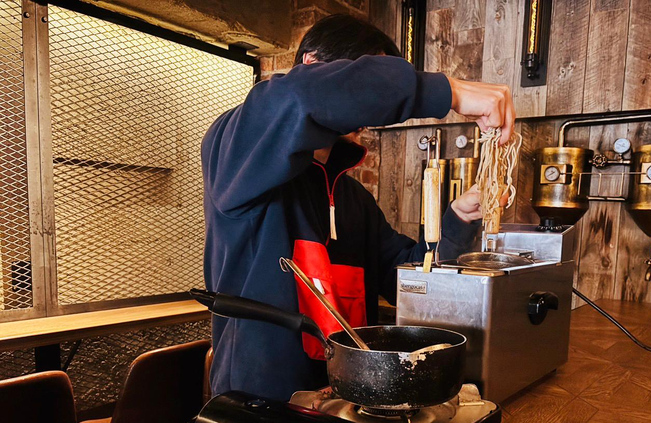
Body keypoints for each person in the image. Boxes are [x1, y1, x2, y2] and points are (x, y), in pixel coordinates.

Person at [201, 14, 516, 401]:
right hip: (261, 406)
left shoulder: (354, 198)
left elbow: (408, 279)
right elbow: (294, 98)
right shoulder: (238, 151)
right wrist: (447, 90)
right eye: (368, 76)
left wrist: (458, 220)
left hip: (348, 399)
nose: (373, 109)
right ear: (312, 66)